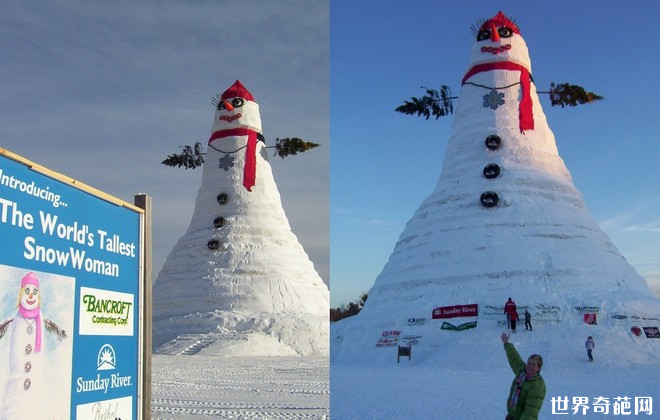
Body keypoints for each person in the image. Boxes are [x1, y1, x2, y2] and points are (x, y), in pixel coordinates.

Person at [500, 333, 546, 420]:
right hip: (511, 416)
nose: (530, 366)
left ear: (538, 368)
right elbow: (514, 358)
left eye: (534, 365)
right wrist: (506, 343)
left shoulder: (537, 387)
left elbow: (530, 412)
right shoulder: (522, 372)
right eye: (529, 363)